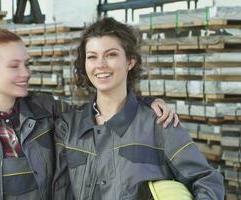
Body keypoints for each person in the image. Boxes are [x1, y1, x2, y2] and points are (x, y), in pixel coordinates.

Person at [0, 20, 178, 200]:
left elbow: (101, 111)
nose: (26, 73)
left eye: (27, 63)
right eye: (14, 66)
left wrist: (144, 103)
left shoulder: (48, 112)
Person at [52, 17, 224, 200]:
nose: (100, 64)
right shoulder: (68, 127)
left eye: (111, 55)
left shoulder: (159, 123)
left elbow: (207, 180)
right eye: (92, 56)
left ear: (130, 61)